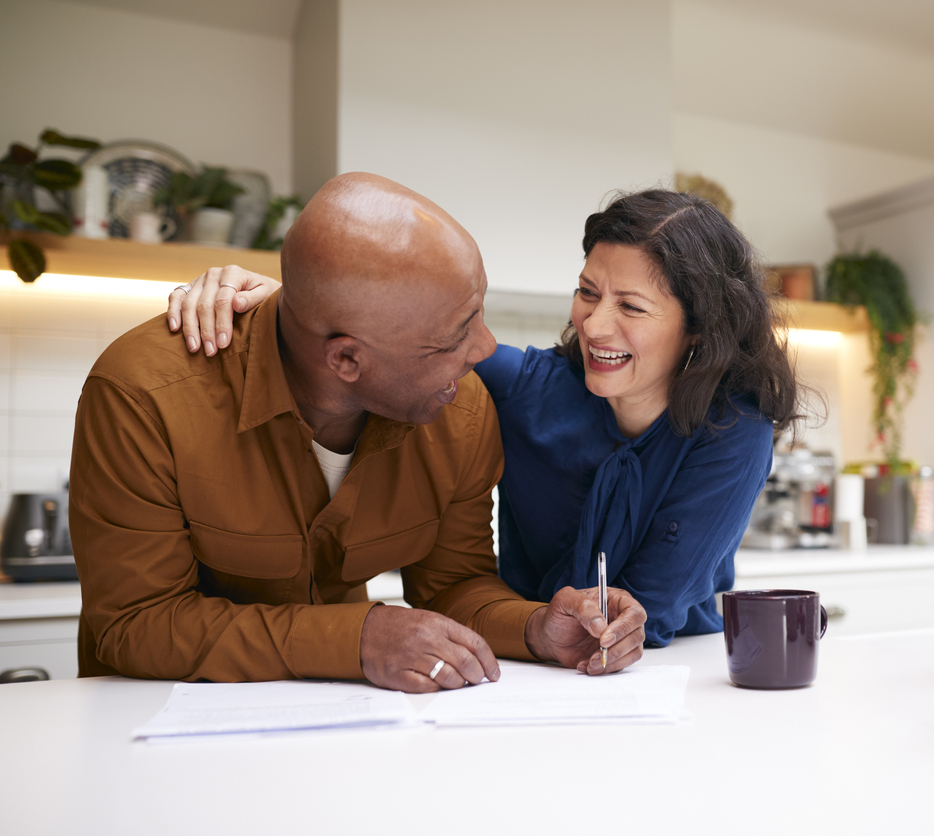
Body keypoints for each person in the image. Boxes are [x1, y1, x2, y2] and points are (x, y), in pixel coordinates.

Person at [70, 173, 646, 692]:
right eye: (453, 337)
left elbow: (453, 585)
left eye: (478, 313)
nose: (485, 350)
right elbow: (135, 623)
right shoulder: (144, 396)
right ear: (346, 360)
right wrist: (357, 639)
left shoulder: (459, 409)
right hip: (150, 731)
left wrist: (537, 626)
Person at [170, 189, 805, 646]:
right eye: (588, 292)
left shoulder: (734, 431)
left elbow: (650, 611)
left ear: (700, 328)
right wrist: (284, 301)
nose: (595, 323)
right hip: (526, 654)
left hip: (666, 672)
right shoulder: (530, 389)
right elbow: (401, 341)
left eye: (631, 306)